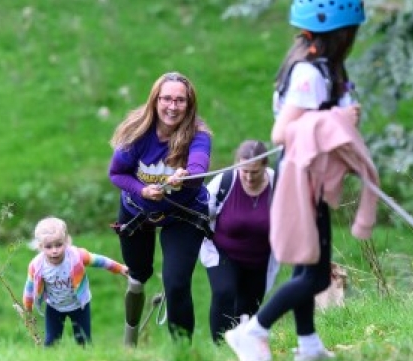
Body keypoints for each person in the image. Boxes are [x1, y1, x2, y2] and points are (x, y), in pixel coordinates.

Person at [224, 1, 376, 361]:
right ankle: (253, 331)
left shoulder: (321, 67)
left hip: (310, 174)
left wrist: (340, 115)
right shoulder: (309, 74)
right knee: (316, 276)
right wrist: (339, 118)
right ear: (341, 33)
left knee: (306, 263)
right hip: (301, 178)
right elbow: (283, 132)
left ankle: (308, 345)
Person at [108, 71, 213, 345]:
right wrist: (142, 189)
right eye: (167, 99)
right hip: (137, 212)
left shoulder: (198, 135)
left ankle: (182, 352)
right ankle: (129, 343)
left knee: (176, 284)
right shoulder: (137, 134)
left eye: (180, 101)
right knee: (137, 276)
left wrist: (186, 175)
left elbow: (199, 166)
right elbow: (117, 174)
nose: (172, 106)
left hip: (183, 215)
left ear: (189, 106)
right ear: (155, 100)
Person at [199, 140, 278, 343]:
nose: (249, 177)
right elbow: (200, 214)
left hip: (260, 260)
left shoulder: (277, 184)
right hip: (223, 253)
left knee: (247, 310)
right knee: (224, 293)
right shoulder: (224, 182)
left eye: (255, 172)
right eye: (245, 172)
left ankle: (242, 350)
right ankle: (219, 349)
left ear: (265, 166)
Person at [22, 216, 128, 347]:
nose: (54, 251)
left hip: (79, 306)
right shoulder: (36, 265)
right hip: (54, 307)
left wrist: (120, 268)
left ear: (66, 242)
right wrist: (27, 306)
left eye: (59, 245)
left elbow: (99, 260)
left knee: (83, 340)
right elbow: (29, 287)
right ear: (40, 246)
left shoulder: (76, 256)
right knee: (51, 342)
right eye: (49, 247)